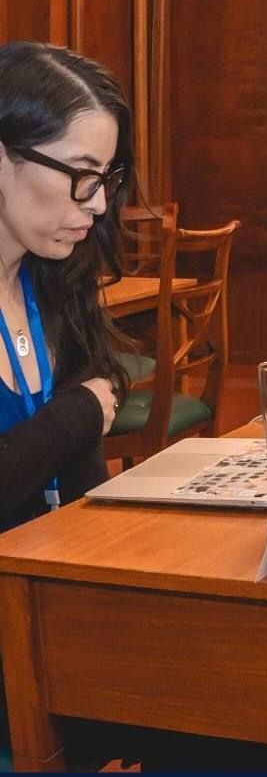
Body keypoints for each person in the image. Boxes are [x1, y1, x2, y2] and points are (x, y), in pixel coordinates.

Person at [0, 42, 132, 532]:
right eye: (81, 174)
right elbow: (86, 412)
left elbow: (81, 480)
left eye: (104, 178)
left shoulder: (58, 282)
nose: (98, 203)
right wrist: (76, 415)